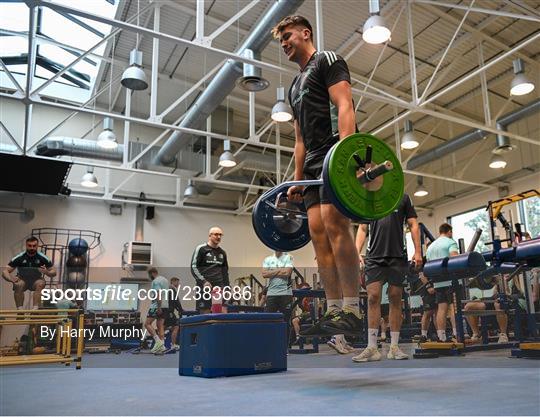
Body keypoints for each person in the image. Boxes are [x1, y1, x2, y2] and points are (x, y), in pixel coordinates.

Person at [271, 15, 362, 337]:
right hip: (310, 163)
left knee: (335, 223)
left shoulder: (328, 60)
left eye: (288, 36)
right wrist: (297, 179)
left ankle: (353, 307)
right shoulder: (295, 85)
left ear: (305, 33)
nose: (283, 43)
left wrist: (346, 154)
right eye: (280, 40)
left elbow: (344, 105)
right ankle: (335, 308)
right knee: (318, 234)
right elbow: (298, 140)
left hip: (333, 153)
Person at [353, 193, 422, 362]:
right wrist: (356, 251)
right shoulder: (369, 197)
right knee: (373, 297)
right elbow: (362, 228)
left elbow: (413, 224)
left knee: (395, 297)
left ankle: (394, 347)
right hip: (374, 257)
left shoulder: (402, 197)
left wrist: (418, 251)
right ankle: (372, 348)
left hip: (397, 256)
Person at [425, 223, 459, 342]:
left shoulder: (430, 247)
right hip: (450, 279)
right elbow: (455, 258)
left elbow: (428, 265)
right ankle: (457, 334)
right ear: (449, 231)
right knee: (454, 307)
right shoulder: (450, 242)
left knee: (441, 308)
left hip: (438, 282)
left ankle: (441, 336)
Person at [2, 236, 56, 309]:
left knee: (41, 283)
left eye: (34, 246)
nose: (32, 248)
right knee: (18, 284)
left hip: (36, 280)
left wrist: (46, 272)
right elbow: (5, 271)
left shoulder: (42, 257)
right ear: (26, 245)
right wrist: (11, 279)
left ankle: (35, 310)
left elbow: (54, 272)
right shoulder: (19, 257)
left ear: (37, 246)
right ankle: (20, 311)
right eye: (30, 246)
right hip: (22, 279)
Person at [191, 226, 229, 314]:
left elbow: (225, 272)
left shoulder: (222, 253)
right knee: (205, 314)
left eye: (220, 235)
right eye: (216, 234)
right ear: (210, 235)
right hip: (205, 287)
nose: (218, 237)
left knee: (222, 313)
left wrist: (227, 288)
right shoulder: (201, 249)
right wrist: (204, 281)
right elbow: (194, 267)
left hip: (219, 287)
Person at [262, 251, 294, 339]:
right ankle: (269, 344)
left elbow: (287, 273)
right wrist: (280, 269)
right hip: (272, 294)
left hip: (285, 294)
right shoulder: (267, 259)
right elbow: (264, 274)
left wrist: (272, 271)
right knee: (267, 320)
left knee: (285, 321)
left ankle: (285, 348)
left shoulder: (289, 258)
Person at [144, 267, 169, 354]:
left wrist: (158, 307)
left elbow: (158, 295)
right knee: (160, 326)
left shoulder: (156, 281)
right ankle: (162, 346)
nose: (149, 277)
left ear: (152, 273)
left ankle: (157, 341)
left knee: (147, 324)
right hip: (166, 305)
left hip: (157, 306)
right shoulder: (165, 280)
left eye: (149, 275)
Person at [165, 277, 183, 351]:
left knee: (164, 327)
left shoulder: (168, 289)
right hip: (169, 312)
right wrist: (181, 310)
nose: (178, 284)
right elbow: (176, 302)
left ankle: (160, 343)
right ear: (173, 281)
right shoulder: (172, 289)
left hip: (166, 311)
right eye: (177, 282)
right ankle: (173, 345)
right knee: (176, 327)